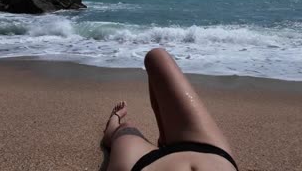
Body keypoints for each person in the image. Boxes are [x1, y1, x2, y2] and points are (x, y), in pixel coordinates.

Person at [102, 48, 239, 171]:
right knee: (156, 57)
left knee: (126, 128)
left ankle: (114, 122)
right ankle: (164, 139)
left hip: (144, 165)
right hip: (213, 155)